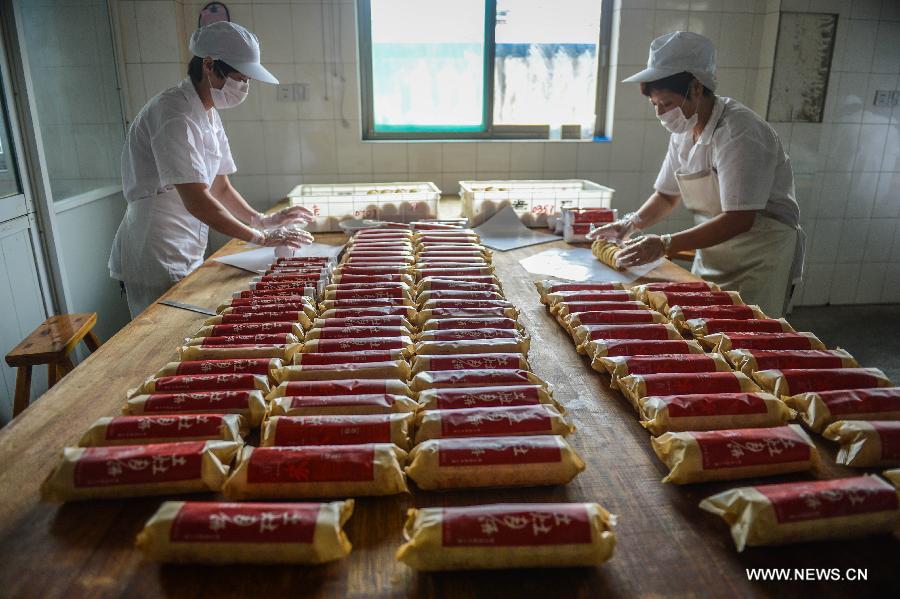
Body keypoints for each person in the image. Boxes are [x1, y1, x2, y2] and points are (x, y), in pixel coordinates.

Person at [590, 31, 804, 317]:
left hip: (759, 258)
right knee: (704, 332)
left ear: (696, 88)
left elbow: (740, 218)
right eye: (655, 105)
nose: (660, 114)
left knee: (749, 337)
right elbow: (666, 197)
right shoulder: (683, 130)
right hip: (714, 251)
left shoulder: (739, 132)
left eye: (666, 103)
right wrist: (630, 225)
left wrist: (666, 244)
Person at [109, 21, 314, 318]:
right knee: (161, 333)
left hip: (184, 242)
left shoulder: (207, 112)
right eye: (239, 77)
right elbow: (198, 200)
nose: (244, 87)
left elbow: (220, 187)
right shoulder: (173, 114)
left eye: (247, 80)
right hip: (156, 246)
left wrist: (262, 220)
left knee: (184, 327)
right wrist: (259, 238)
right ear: (209, 65)